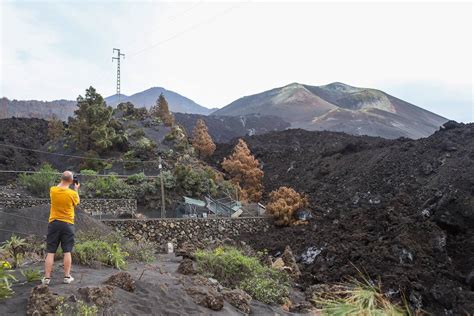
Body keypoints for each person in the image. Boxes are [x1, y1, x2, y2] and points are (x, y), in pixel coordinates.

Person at [42, 171, 80, 285]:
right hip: (67, 224)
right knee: (67, 251)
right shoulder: (72, 193)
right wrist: (76, 188)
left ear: (61, 179)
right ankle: (67, 277)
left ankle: (47, 278)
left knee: (50, 251)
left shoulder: (53, 190)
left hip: (54, 223)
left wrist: (65, 180)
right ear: (71, 181)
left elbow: (60, 185)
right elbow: (77, 202)